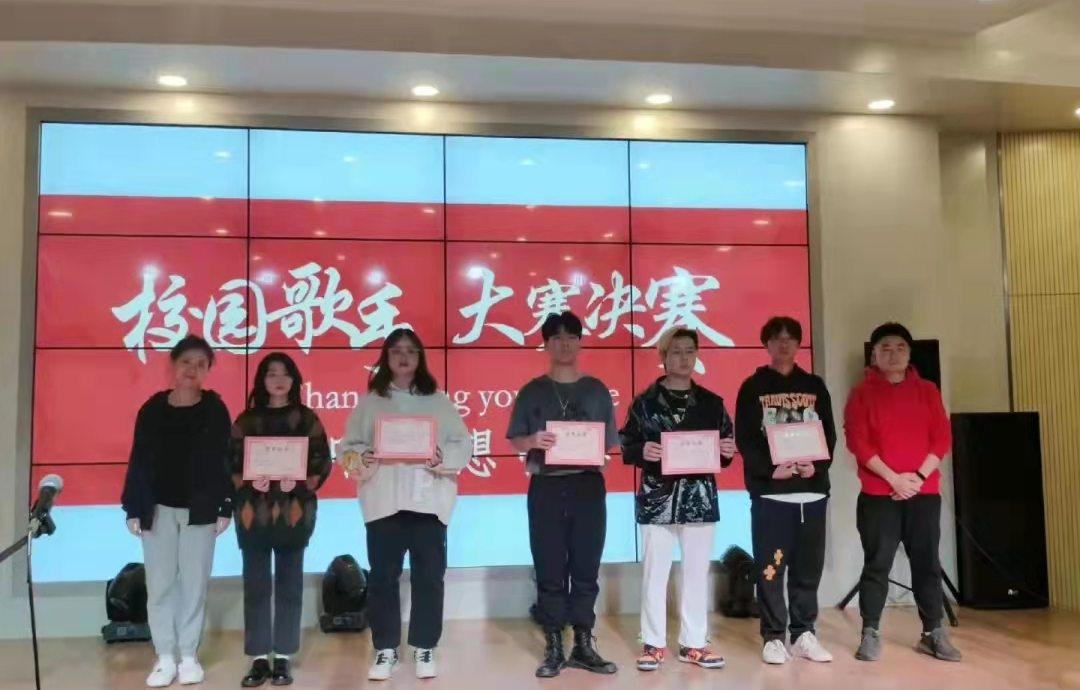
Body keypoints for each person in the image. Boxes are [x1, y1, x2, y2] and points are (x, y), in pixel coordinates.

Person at [339, 328, 472, 681]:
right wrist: (363, 457)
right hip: (384, 500)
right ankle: (386, 649)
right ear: (386, 357)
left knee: (430, 577)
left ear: (420, 358)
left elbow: (463, 444)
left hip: (428, 499)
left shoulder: (438, 401)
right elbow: (346, 449)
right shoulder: (370, 402)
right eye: (396, 350)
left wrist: (442, 457)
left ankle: (424, 645)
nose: (403, 357)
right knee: (382, 578)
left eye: (410, 351)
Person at [506, 311, 619, 679]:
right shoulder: (532, 390)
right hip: (547, 487)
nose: (565, 343)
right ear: (546, 344)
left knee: (586, 567)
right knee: (549, 567)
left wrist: (592, 453)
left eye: (571, 336)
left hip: (588, 486)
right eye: (557, 337)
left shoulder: (597, 390)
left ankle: (583, 644)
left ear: (580, 342)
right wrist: (532, 441)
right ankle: (553, 644)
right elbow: (515, 441)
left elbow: (610, 444)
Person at [120, 336, 233, 688]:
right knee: (160, 584)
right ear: (173, 364)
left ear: (208, 370)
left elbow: (226, 460)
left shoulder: (215, 409)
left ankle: (188, 656)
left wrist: (226, 505)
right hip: (157, 507)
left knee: (194, 584)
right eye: (187, 362)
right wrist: (133, 507)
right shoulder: (152, 409)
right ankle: (165, 656)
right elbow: (139, 459)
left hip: (201, 510)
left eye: (201, 364)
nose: (192, 369)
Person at [844, 322, 961, 663]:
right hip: (879, 494)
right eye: (885, 348)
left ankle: (933, 633)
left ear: (910, 353)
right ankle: (870, 632)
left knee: (927, 563)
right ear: (874, 354)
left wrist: (917, 477)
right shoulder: (861, 393)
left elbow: (942, 437)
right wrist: (894, 479)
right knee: (877, 563)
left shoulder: (927, 390)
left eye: (900, 348)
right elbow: (857, 441)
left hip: (923, 492)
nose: (893, 354)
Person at [620, 327, 735, 672]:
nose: (684, 358)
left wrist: (727, 450)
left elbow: (725, 448)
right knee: (655, 573)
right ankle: (653, 643)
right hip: (657, 496)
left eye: (689, 351)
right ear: (663, 357)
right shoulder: (644, 402)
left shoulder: (712, 403)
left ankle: (694, 643)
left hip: (699, 497)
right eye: (676, 352)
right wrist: (642, 450)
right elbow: (626, 445)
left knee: (696, 574)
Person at [735, 316, 836, 666]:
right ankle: (773, 636)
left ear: (798, 344)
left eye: (791, 338)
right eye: (777, 338)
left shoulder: (814, 385)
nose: (784, 343)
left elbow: (829, 434)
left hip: (812, 494)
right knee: (771, 568)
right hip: (772, 496)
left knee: (808, 568)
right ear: (767, 344)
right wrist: (770, 470)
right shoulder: (753, 387)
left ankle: (803, 633)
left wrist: (816, 466)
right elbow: (746, 438)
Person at [230, 353, 333, 687]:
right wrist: (248, 481)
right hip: (253, 515)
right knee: (256, 586)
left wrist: (299, 482)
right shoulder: (246, 421)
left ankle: (284, 656)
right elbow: (229, 463)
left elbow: (322, 462)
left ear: (294, 380)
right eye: (271, 373)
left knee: (290, 586)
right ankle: (259, 657)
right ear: (261, 379)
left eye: (284, 373)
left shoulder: (307, 419)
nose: (278, 379)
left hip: (294, 513)